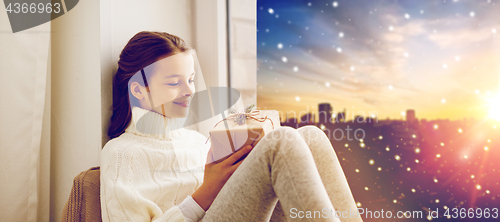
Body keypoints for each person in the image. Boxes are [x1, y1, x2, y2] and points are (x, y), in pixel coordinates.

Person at [100, 31, 362, 222]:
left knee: (310, 136)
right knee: (281, 142)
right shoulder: (122, 154)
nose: (189, 90)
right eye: (173, 83)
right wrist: (205, 193)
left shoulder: (195, 141)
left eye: (190, 79)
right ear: (139, 90)